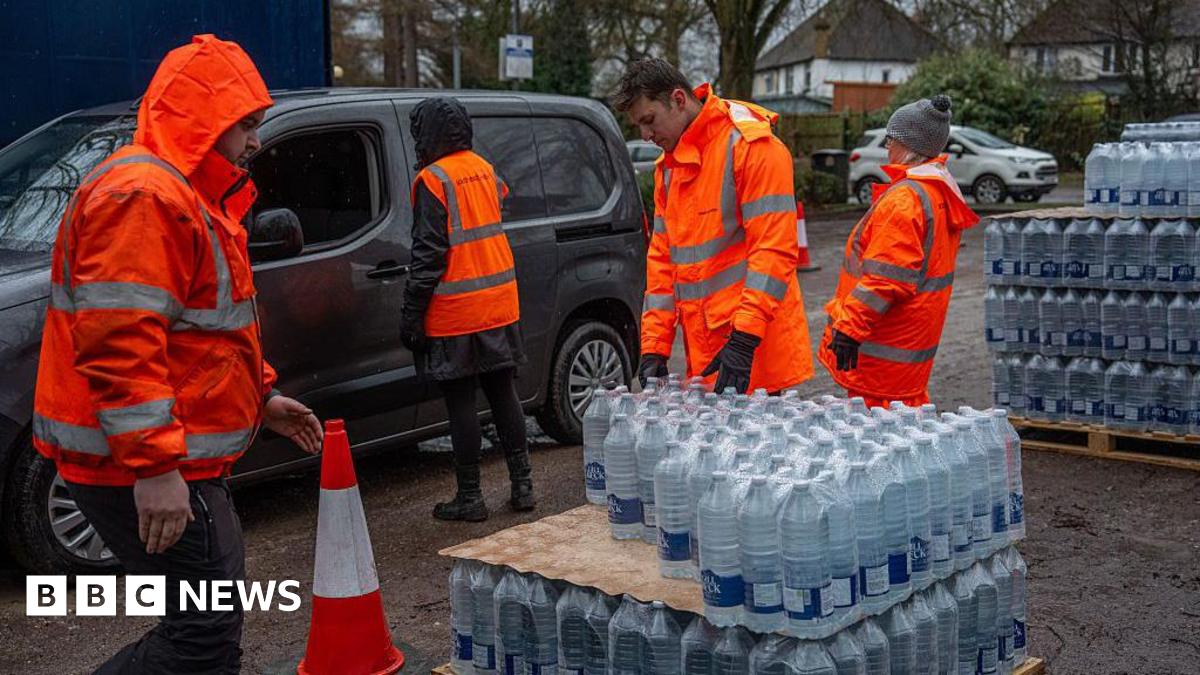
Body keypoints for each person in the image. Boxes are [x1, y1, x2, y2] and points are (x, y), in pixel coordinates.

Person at [32, 35, 322, 673]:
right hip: (144, 463)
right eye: (245, 124)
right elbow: (120, 344)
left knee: (205, 629)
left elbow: (204, 333)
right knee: (202, 638)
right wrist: (155, 469)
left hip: (159, 457)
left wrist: (261, 396)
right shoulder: (147, 196)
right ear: (203, 119)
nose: (254, 142)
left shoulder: (180, 195)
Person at [613, 58, 813, 395]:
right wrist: (654, 347)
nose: (646, 135)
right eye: (639, 127)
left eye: (649, 121)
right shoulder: (670, 167)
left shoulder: (751, 147)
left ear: (678, 99)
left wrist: (744, 339)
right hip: (710, 352)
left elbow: (774, 252)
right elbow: (662, 261)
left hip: (754, 350)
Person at [400, 97, 534, 522]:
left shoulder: (433, 180)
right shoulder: (483, 168)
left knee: (460, 402)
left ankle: (471, 497)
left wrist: (411, 313)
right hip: (499, 303)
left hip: (457, 309)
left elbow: (428, 256)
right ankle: (523, 486)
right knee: (502, 393)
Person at [819, 94, 980, 408]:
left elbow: (886, 279)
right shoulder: (938, 192)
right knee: (907, 427)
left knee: (881, 440)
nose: (886, 148)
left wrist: (849, 328)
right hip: (908, 350)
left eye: (890, 140)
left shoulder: (905, 199)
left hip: (883, 353)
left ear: (909, 146)